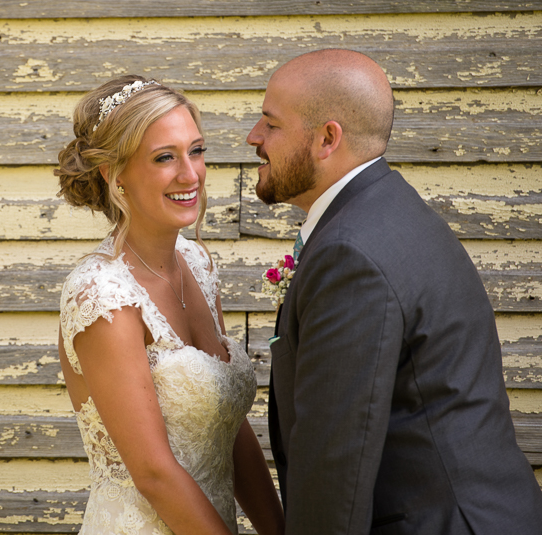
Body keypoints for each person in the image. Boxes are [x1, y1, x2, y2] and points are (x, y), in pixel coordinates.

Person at [247, 48, 542, 534]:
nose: (254, 137)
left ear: (327, 138)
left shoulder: (351, 253)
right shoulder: (390, 211)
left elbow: (335, 461)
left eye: (271, 124)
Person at [55, 76, 285, 535]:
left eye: (195, 151)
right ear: (114, 174)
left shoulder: (197, 264)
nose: (190, 174)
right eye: (165, 157)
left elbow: (227, 423)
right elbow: (154, 474)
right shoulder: (103, 295)